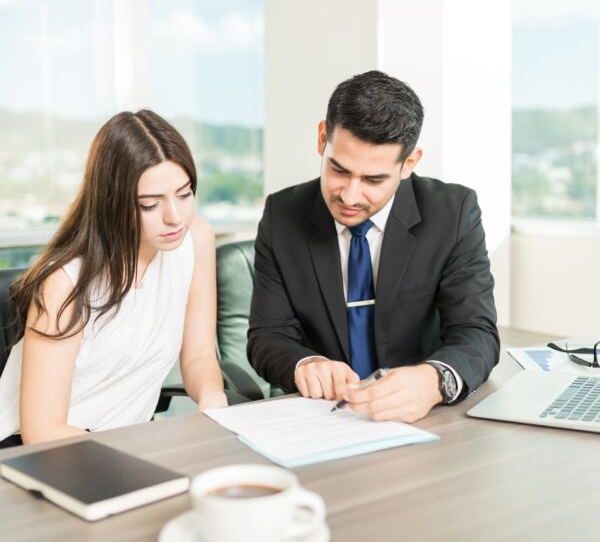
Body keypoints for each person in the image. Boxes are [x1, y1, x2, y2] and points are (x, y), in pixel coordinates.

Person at [248, 70, 500, 423]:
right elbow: (267, 336)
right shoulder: (281, 215)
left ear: (409, 163)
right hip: (323, 419)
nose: (349, 196)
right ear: (323, 138)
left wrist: (432, 381)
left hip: (424, 418)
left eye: (373, 180)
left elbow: (476, 332)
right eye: (338, 170)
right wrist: (306, 364)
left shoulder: (452, 213)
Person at [0, 109, 228, 447]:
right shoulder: (65, 285)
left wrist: (211, 396)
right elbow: (42, 431)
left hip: (123, 446)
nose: (174, 217)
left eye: (184, 194)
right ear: (112, 202)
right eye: (150, 205)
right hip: (43, 453)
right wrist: (139, 456)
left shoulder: (197, 240)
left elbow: (198, 356)